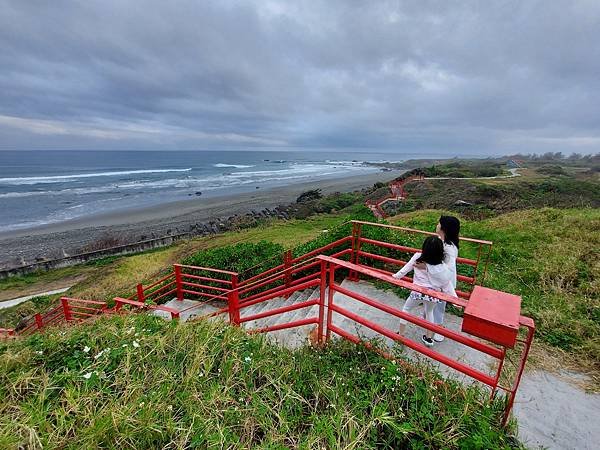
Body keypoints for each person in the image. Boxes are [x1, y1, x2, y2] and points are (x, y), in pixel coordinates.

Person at [393, 236, 456, 347]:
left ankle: (401, 334)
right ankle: (428, 338)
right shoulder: (440, 265)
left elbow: (406, 268)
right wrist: (454, 298)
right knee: (429, 312)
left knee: (406, 309)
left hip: (418, 291)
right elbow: (446, 282)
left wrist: (396, 277)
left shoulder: (418, 257)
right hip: (432, 294)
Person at [432, 215, 460, 342]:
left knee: (439, 306)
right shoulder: (441, 241)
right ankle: (430, 323)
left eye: (439, 223)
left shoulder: (449, 249)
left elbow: (448, 268)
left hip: (444, 281)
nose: (437, 225)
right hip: (437, 279)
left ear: (444, 228)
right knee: (433, 304)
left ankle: (439, 330)